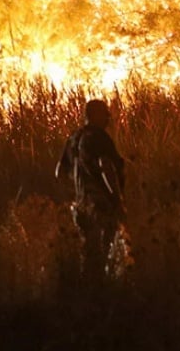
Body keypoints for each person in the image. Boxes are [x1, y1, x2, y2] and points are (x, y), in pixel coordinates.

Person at [56, 98, 127, 278]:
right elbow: (105, 166)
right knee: (107, 249)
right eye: (104, 113)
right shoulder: (98, 137)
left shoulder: (73, 139)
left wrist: (75, 194)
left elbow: (59, 172)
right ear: (94, 115)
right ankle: (105, 286)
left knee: (88, 250)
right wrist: (116, 198)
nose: (108, 117)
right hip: (100, 203)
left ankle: (87, 285)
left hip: (80, 205)